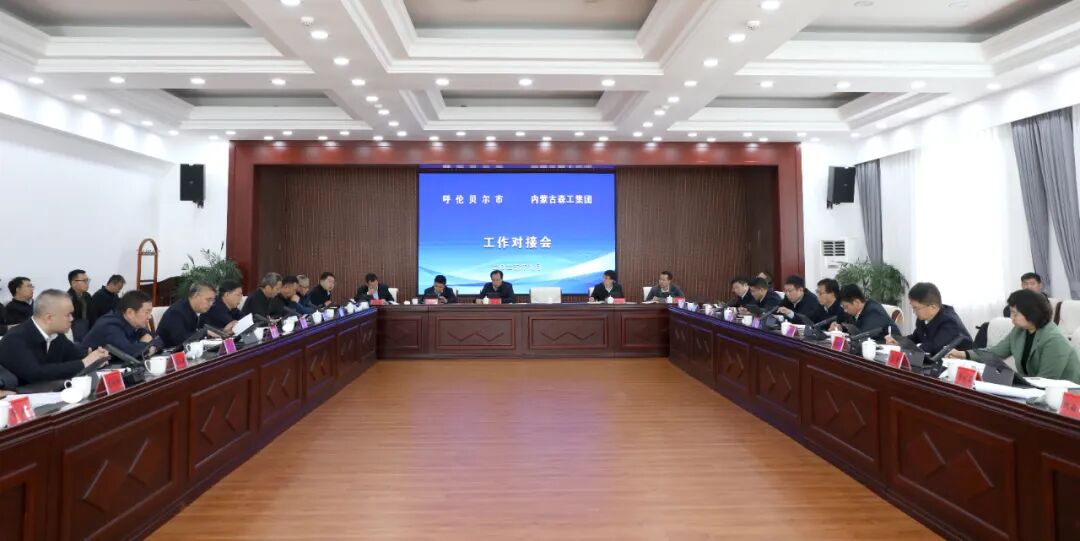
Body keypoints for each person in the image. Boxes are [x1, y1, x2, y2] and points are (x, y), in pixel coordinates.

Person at [952, 289, 1080, 382]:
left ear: (1032, 314)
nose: (1011, 317)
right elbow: (995, 353)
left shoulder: (1054, 339)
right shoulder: (1019, 331)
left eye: (1015, 313)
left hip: (1065, 397)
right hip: (1034, 389)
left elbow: (1046, 380)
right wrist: (963, 354)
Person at [0, 289, 109, 386]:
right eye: (68, 315)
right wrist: (84, 363)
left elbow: (74, 354)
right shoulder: (15, 338)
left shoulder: (56, 335)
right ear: (49, 318)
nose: (72, 319)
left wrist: (96, 356)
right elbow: (35, 373)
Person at [886, 282, 972, 355]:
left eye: (916, 308)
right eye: (912, 307)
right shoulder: (922, 318)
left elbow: (934, 347)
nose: (914, 312)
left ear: (932, 307)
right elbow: (916, 337)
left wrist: (903, 347)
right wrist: (898, 341)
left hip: (963, 364)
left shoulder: (950, 322)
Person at [82, 290, 158, 359]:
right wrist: (147, 344)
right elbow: (130, 353)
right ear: (130, 313)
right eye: (147, 312)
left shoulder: (132, 322)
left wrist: (150, 341)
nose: (150, 317)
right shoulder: (110, 325)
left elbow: (159, 339)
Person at [158, 282, 216, 350]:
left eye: (212, 301)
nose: (211, 304)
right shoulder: (176, 312)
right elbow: (181, 340)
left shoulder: (195, 310)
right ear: (195, 296)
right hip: (167, 353)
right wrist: (204, 333)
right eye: (208, 300)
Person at [831, 284, 898, 341]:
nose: (845, 310)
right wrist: (840, 328)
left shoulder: (873, 311)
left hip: (892, 347)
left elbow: (861, 336)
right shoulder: (857, 312)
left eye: (846, 306)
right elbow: (852, 328)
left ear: (856, 302)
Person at [67, 269, 93, 338]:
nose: (87, 283)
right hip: (73, 333)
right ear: (73, 283)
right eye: (84, 281)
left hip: (87, 331)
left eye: (87, 280)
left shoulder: (87, 296)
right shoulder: (67, 299)